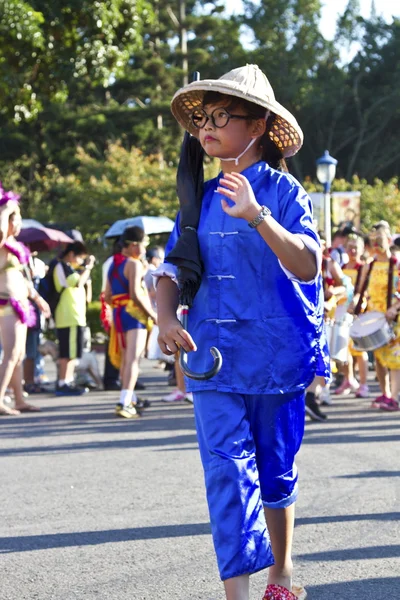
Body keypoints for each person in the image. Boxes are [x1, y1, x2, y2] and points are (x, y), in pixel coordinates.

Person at [155, 65, 328, 600]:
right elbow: (173, 270)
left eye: (220, 116)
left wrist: (257, 217)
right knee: (226, 474)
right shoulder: (197, 198)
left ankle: (281, 574)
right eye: (202, 118)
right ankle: (237, 597)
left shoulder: (284, 191)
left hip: (277, 358)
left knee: (275, 473)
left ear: (258, 126)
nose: (207, 127)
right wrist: (164, 317)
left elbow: (308, 265)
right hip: (211, 360)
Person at [0, 184, 51, 416]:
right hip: (6, 304)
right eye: (16, 219)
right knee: (11, 354)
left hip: (20, 304)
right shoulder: (1, 246)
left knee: (18, 355)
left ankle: (19, 399)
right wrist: (6, 207)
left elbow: (24, 279)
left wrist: (37, 298)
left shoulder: (16, 248)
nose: (19, 224)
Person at [105, 226, 157, 419]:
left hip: (119, 313)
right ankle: (124, 402)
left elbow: (108, 295)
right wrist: (152, 314)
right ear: (134, 245)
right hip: (134, 315)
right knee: (133, 360)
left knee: (127, 359)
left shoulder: (113, 263)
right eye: (144, 244)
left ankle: (131, 398)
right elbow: (136, 294)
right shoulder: (133, 264)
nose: (145, 249)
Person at [357, 221, 400, 411]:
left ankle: (394, 397)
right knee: (380, 358)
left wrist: (395, 308)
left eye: (380, 240)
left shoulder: (397, 264)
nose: (376, 245)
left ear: (388, 240)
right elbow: (362, 291)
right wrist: (357, 304)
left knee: (395, 359)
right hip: (374, 317)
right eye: (374, 241)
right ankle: (386, 394)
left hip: (394, 317)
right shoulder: (370, 265)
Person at [53, 241, 95, 396]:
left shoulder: (71, 268)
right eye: (79, 257)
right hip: (67, 316)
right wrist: (88, 267)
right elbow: (78, 283)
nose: (81, 261)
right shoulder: (61, 267)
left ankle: (68, 381)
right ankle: (63, 382)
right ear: (71, 255)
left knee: (72, 353)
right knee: (66, 352)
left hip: (75, 316)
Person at [334, 233, 369, 398]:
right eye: (350, 247)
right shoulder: (342, 267)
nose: (353, 250)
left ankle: (363, 384)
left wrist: (355, 302)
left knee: (359, 349)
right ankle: (348, 379)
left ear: (362, 249)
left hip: (357, 311)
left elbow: (363, 290)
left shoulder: (364, 267)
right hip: (343, 311)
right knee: (344, 348)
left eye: (356, 247)